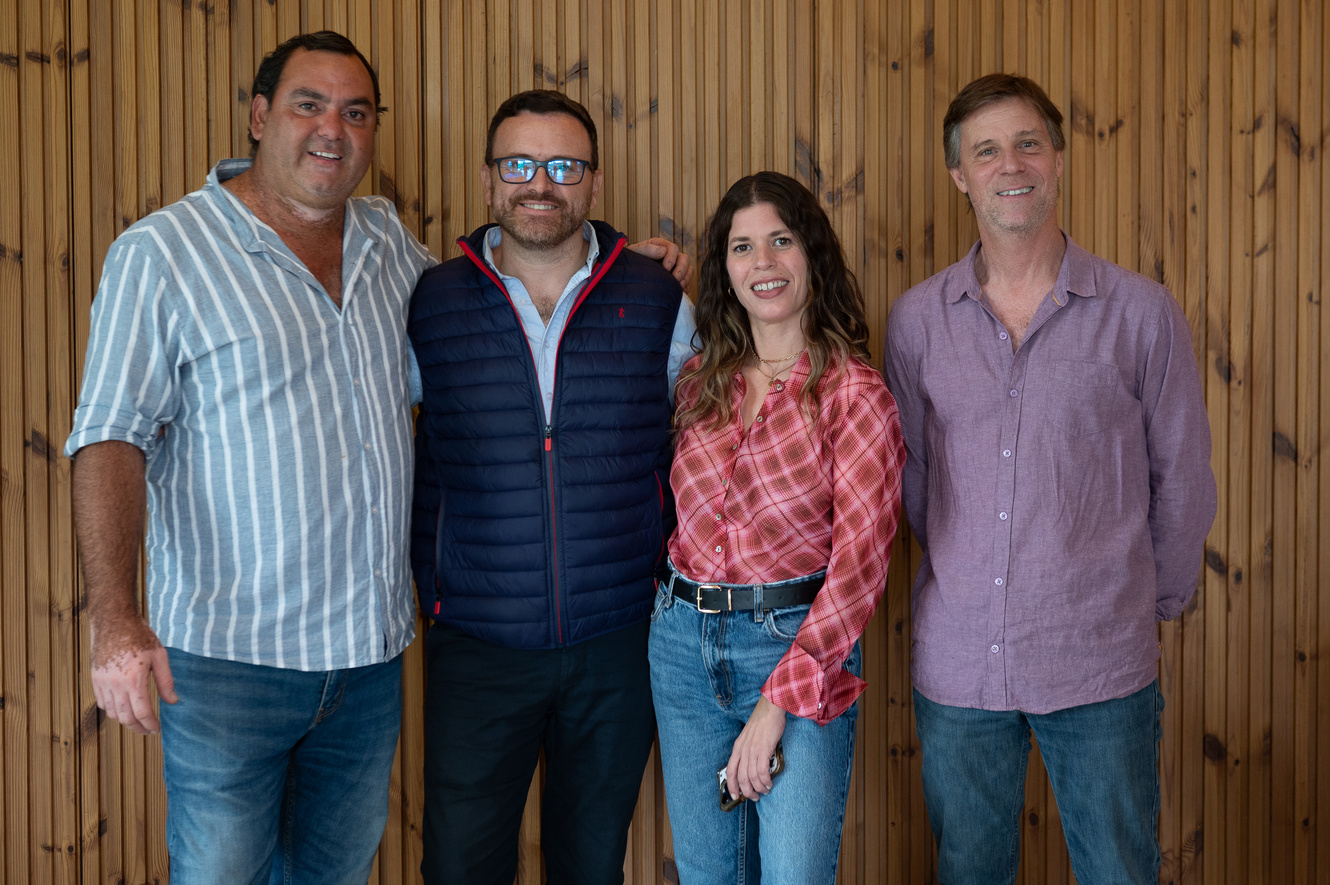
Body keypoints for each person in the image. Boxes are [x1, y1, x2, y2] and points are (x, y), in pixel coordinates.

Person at [66, 34, 689, 885]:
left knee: (336, 871)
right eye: (308, 105)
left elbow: (515, 320)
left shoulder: (388, 247)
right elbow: (109, 434)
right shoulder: (165, 253)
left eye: (356, 112)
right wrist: (115, 620)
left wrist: (636, 267)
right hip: (229, 659)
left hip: (365, 655)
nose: (333, 129)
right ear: (259, 116)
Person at [883, 73, 1217, 884]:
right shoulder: (918, 320)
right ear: (960, 174)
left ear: (1059, 159)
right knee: (968, 870)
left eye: (1028, 142)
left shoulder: (1140, 311)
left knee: (1120, 870)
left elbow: (1183, 476)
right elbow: (915, 480)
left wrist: (1145, 602)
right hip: (962, 664)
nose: (1011, 164)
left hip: (1100, 658)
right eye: (986, 150)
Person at [408, 90, 696, 885]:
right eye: (521, 164)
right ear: (490, 178)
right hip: (475, 641)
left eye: (564, 165)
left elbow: (707, 439)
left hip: (617, 637)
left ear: (593, 184)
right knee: (462, 866)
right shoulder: (430, 301)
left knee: (591, 863)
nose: (542, 182)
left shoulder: (658, 298)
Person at [648, 171, 905, 885]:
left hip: (794, 647)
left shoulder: (855, 395)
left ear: (811, 255)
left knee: (792, 876)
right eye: (741, 247)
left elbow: (858, 570)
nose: (761, 263)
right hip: (680, 648)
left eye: (780, 241)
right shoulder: (700, 380)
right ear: (724, 269)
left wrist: (776, 704)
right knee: (708, 875)